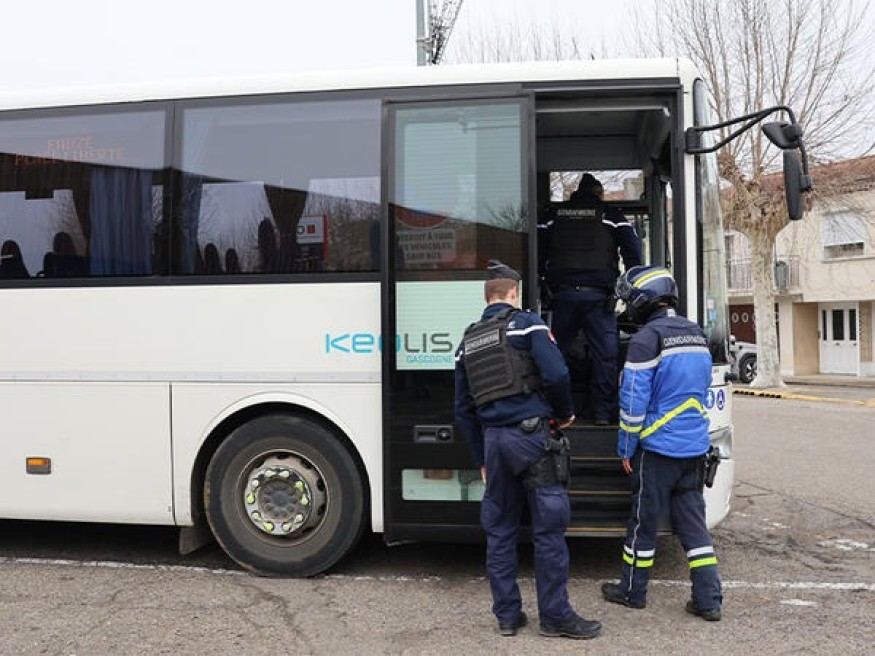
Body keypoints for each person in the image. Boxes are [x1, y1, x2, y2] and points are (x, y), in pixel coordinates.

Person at [454, 259, 602, 640]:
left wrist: (480, 458)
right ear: (514, 293)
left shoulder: (467, 341)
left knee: (500, 531)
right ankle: (555, 617)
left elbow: (463, 409)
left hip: (494, 442)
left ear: (486, 297)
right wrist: (565, 414)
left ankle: (508, 616)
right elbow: (557, 373)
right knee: (548, 528)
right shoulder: (527, 324)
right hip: (530, 438)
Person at [601, 265, 723, 621]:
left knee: (643, 524)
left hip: (657, 450)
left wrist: (626, 448)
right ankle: (709, 600)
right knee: (694, 528)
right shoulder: (696, 334)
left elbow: (633, 402)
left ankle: (631, 591)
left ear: (643, 300)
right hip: (695, 448)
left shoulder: (646, 340)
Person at [540, 173, 642, 425]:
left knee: (554, 354)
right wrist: (629, 286)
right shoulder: (611, 216)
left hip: (561, 296)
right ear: (599, 194)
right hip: (599, 298)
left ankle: (558, 411)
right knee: (605, 357)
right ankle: (602, 414)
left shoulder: (553, 216)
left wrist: (543, 281)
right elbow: (633, 254)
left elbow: (537, 250)